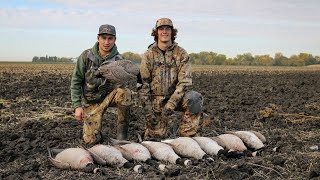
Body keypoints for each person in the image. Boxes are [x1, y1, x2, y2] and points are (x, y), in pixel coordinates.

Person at [139, 18, 205, 139]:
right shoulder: (148, 55)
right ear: (156, 32)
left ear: (172, 32)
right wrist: (149, 113)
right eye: (161, 29)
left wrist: (171, 103)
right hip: (156, 102)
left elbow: (184, 82)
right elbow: (144, 86)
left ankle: (187, 135)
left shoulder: (181, 53)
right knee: (157, 138)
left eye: (168, 29)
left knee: (194, 98)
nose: (164, 32)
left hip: (176, 99)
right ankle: (154, 129)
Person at [71, 24, 132, 144]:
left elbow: (124, 85)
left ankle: (122, 138)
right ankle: (96, 133)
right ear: (98, 38)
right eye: (103, 38)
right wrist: (77, 106)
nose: (106, 42)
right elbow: (76, 81)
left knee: (125, 93)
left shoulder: (120, 60)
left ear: (115, 39)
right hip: (91, 101)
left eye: (110, 38)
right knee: (90, 141)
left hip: (109, 97)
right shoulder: (86, 56)